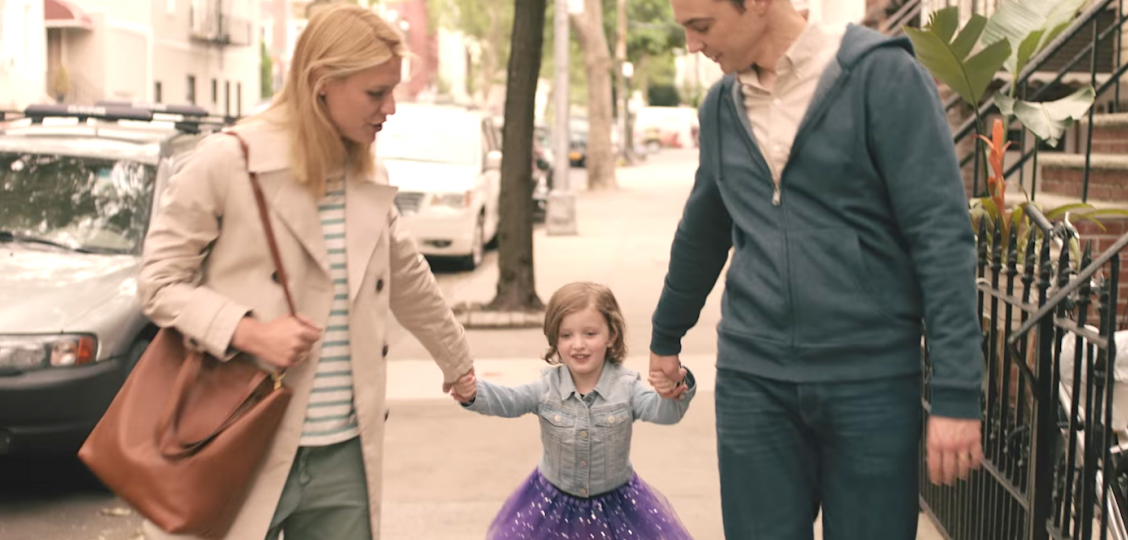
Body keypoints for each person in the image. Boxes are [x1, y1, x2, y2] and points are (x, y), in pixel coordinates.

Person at [136, 5, 475, 539]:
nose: (390, 108)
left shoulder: (366, 170)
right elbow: (159, 282)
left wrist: (457, 361)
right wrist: (248, 331)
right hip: (240, 438)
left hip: (344, 454)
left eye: (392, 91)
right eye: (374, 93)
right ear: (321, 83)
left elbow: (406, 275)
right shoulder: (229, 161)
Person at [649, 0, 985, 539]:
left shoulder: (882, 77)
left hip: (870, 382)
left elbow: (941, 238)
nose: (692, 44)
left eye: (701, 26)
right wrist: (667, 333)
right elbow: (703, 231)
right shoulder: (720, 107)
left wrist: (956, 393)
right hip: (753, 382)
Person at [451, 282, 696, 539]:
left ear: (611, 335)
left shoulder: (627, 388)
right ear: (555, 339)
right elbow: (509, 400)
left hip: (617, 506)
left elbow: (664, 412)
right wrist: (473, 393)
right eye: (566, 335)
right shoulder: (547, 387)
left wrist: (678, 386)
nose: (578, 344)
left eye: (590, 333)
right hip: (550, 506)